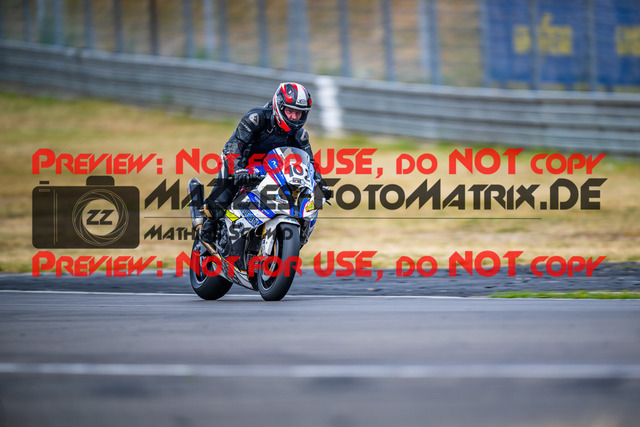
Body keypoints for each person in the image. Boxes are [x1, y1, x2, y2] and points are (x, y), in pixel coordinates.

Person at [200, 82, 333, 244]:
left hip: (269, 171)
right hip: (240, 162)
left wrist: (319, 183)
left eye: (298, 113)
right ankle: (209, 224)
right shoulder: (257, 118)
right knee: (222, 196)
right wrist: (238, 170)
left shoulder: (300, 135)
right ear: (279, 106)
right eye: (289, 111)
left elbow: (309, 162)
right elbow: (234, 144)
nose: (293, 117)